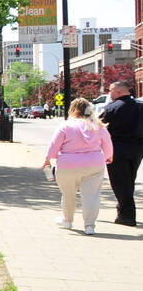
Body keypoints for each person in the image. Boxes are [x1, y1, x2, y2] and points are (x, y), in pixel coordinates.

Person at [43, 97, 113, 235]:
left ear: (72, 109)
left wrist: (47, 159)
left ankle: (67, 220)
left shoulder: (66, 125)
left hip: (67, 164)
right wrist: (107, 157)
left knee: (68, 194)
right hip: (93, 164)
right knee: (91, 196)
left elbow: (54, 145)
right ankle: (90, 225)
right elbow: (108, 144)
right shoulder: (98, 126)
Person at [99, 80, 142, 227]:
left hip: (117, 149)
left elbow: (99, 127)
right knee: (129, 181)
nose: (109, 94)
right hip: (137, 150)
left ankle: (127, 216)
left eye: (111, 91)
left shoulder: (111, 108)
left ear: (118, 91)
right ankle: (124, 212)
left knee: (120, 183)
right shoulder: (140, 106)